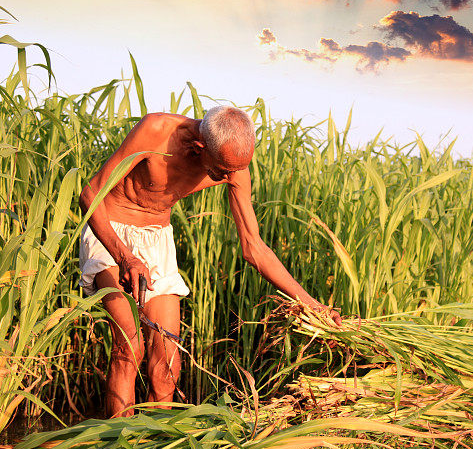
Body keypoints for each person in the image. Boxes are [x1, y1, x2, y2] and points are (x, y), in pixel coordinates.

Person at [78, 106, 341, 418]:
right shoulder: (158, 131)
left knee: (167, 366)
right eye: (224, 170)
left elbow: (254, 247)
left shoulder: (234, 166)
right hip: (110, 230)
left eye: (237, 169)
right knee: (130, 348)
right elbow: (90, 193)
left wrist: (313, 305)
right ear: (199, 147)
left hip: (158, 240)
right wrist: (125, 257)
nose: (232, 177)